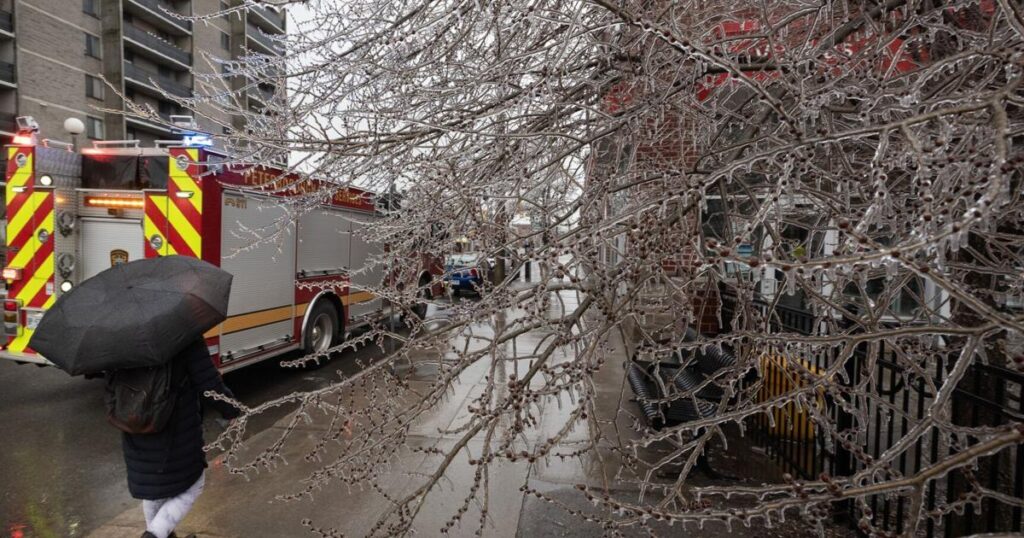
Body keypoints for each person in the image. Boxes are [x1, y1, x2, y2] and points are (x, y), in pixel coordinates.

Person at [118, 338, 240, 538]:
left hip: (135, 425)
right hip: (175, 430)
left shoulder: (120, 338)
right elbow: (209, 385)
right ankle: (155, 534)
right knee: (193, 484)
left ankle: (162, 533)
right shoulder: (184, 333)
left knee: (154, 487)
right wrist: (232, 409)